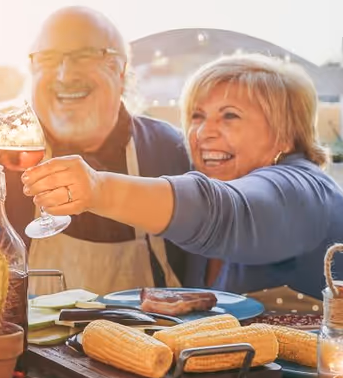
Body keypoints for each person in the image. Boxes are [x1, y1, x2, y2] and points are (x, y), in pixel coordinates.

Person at [23, 53, 343, 298]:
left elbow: (224, 211)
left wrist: (97, 188)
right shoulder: (211, 178)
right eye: (197, 116)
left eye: (230, 116)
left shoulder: (303, 190)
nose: (204, 132)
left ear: (285, 135)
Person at [0, 6, 192, 294]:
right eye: (48, 59)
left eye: (85, 56)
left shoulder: (167, 146)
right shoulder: (3, 139)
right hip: (28, 337)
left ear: (121, 70)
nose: (65, 75)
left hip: (144, 335)